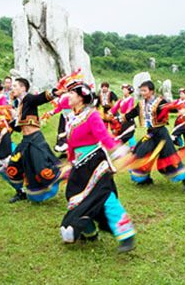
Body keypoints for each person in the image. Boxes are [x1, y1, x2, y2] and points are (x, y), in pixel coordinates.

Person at [59, 82, 136, 253]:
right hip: (79, 165)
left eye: (71, 93)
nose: (68, 96)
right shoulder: (71, 116)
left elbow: (104, 135)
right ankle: (89, 231)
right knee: (73, 197)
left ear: (81, 97)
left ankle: (126, 235)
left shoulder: (92, 115)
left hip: (95, 162)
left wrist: (118, 151)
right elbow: (71, 143)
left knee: (105, 197)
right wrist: (70, 162)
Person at [2, 78, 67, 203]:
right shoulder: (19, 104)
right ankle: (20, 192)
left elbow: (39, 99)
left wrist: (53, 93)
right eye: (12, 87)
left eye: (15, 86)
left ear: (23, 88)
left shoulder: (28, 98)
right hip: (25, 141)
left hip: (36, 139)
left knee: (41, 168)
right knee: (12, 165)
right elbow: (18, 128)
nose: (12, 89)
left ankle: (65, 173)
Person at [122, 80, 185, 190]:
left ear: (151, 91)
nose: (143, 93)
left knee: (169, 155)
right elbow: (132, 114)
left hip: (162, 134)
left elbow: (170, 108)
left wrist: (180, 109)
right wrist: (119, 119)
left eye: (145, 91)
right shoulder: (141, 104)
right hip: (151, 134)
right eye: (142, 91)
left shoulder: (160, 102)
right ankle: (145, 179)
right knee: (141, 152)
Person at [109, 84, 137, 150]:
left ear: (129, 91)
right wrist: (110, 113)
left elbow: (129, 110)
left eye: (125, 89)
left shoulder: (131, 99)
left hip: (128, 118)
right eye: (123, 89)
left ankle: (131, 147)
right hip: (122, 118)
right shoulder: (122, 99)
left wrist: (121, 117)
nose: (123, 91)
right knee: (126, 133)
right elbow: (115, 108)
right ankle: (117, 146)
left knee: (128, 132)